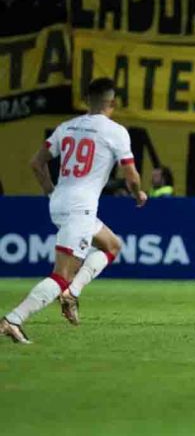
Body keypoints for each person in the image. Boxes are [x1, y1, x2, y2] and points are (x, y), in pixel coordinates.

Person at [1, 78, 147, 344]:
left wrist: (51, 191)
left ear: (86, 100)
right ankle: (13, 320)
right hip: (80, 207)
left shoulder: (66, 127)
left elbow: (36, 163)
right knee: (61, 275)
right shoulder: (115, 131)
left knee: (112, 246)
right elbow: (131, 175)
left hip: (61, 202)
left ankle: (72, 293)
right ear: (112, 102)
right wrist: (138, 193)